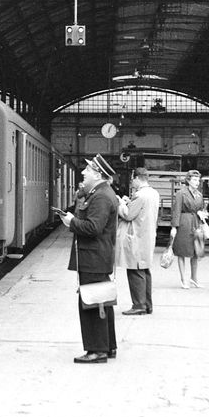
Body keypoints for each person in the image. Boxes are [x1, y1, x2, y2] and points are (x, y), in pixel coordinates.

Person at [60, 154, 119, 364]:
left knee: (92, 305)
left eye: (88, 170)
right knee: (101, 302)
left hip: (93, 258)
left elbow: (94, 228)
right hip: (96, 257)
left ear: (98, 174)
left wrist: (72, 222)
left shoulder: (101, 197)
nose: (83, 172)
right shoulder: (101, 193)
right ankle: (108, 346)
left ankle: (96, 351)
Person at [116, 167, 159, 315]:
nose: (131, 182)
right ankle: (147, 305)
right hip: (147, 235)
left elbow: (128, 215)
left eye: (132, 179)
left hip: (137, 237)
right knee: (145, 270)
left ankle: (138, 305)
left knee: (135, 270)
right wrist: (129, 202)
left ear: (137, 178)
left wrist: (121, 203)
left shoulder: (140, 195)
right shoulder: (154, 193)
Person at [169, 169, 207, 288]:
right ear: (188, 181)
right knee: (182, 251)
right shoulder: (181, 193)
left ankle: (194, 278)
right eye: (194, 180)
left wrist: (202, 213)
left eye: (198, 180)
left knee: (196, 251)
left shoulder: (199, 194)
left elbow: (201, 208)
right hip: (184, 223)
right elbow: (176, 210)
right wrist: (174, 227)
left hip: (196, 223)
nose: (197, 182)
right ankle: (183, 279)